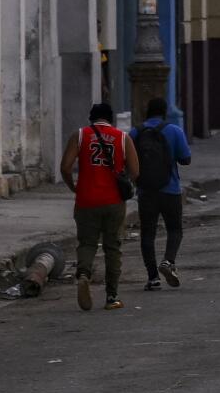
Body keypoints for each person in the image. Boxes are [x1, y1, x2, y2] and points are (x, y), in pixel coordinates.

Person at [61, 102, 139, 312]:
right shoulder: (123, 138)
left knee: (87, 243)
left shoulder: (79, 135)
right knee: (113, 247)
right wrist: (124, 182)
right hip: (113, 202)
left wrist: (73, 187)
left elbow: (65, 167)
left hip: (86, 200)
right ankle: (112, 296)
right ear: (110, 118)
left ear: (91, 118)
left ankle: (84, 274)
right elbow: (135, 171)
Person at [133, 97, 193, 293]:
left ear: (147, 111)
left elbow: (127, 160)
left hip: (145, 191)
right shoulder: (174, 130)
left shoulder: (136, 132)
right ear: (165, 112)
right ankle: (168, 261)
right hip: (170, 190)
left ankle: (152, 278)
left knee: (147, 234)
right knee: (174, 230)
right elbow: (185, 159)